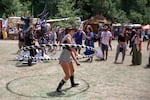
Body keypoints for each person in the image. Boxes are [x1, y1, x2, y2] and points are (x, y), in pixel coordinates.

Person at [56, 27, 80, 93]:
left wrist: (76, 61)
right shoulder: (68, 36)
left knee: (72, 70)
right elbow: (71, 47)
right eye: (73, 31)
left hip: (68, 57)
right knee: (67, 75)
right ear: (69, 31)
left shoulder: (71, 38)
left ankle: (72, 83)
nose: (74, 32)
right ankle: (58, 88)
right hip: (63, 58)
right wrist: (77, 53)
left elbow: (71, 51)